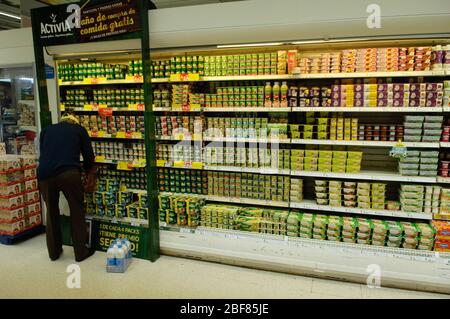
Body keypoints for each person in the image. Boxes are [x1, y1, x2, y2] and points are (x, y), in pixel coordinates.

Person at [38, 112, 96, 262]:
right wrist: (90, 171)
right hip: (68, 173)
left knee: (51, 211)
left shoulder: (46, 129)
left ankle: (54, 252)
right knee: (76, 209)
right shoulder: (79, 130)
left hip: (45, 174)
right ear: (74, 120)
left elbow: (43, 153)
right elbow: (88, 155)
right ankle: (80, 252)